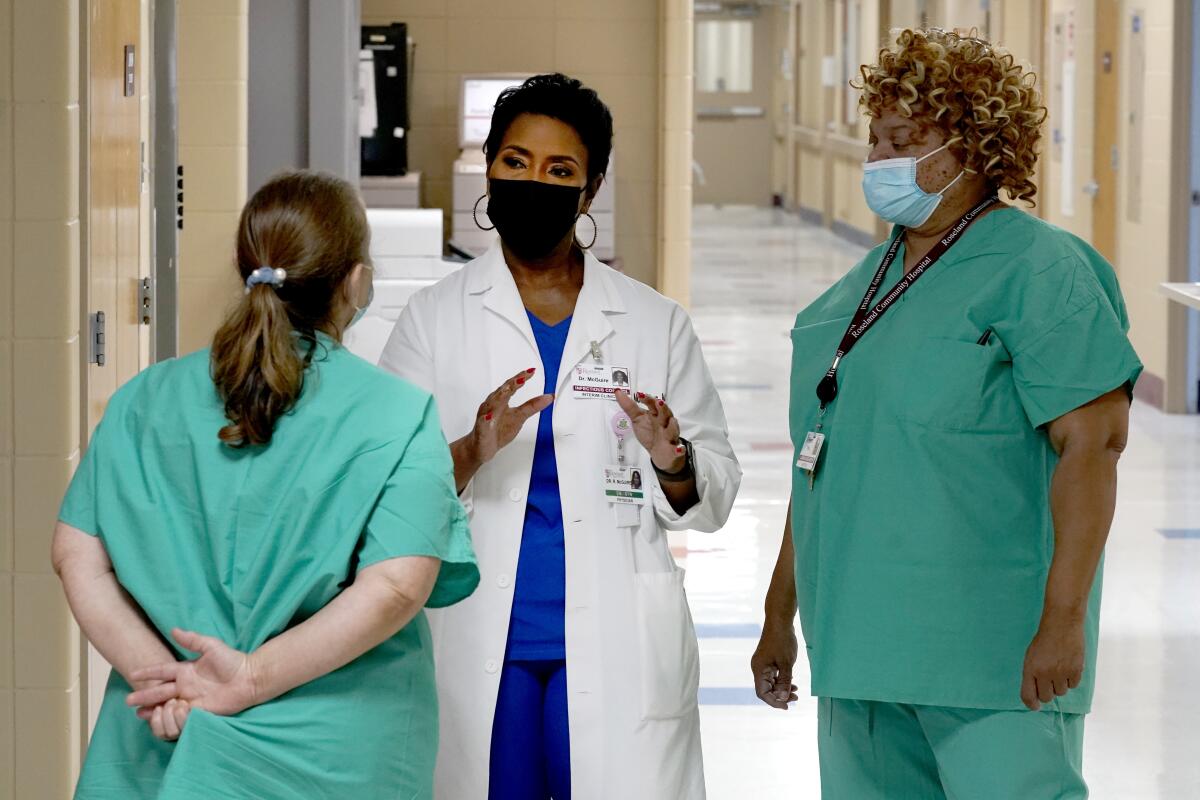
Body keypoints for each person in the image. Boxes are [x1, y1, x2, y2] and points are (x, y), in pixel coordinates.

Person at [751, 29, 1142, 799]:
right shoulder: (855, 296)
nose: (880, 159)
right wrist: (779, 615)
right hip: (860, 653)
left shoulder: (1040, 270)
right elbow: (820, 459)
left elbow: (1093, 447)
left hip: (991, 658)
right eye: (875, 139)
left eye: (907, 139)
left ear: (978, 144)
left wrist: (1063, 620)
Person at [52, 171, 479, 799]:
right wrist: (247, 679)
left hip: (167, 739)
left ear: (242, 265)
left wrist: (166, 680)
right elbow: (394, 588)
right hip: (335, 758)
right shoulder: (396, 414)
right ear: (356, 281)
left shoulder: (143, 401)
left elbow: (75, 556)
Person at [380, 73, 741, 800]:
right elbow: (386, 492)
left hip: (614, 636)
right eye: (515, 162)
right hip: (481, 633)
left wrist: (670, 455)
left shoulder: (652, 321)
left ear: (591, 187)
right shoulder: (433, 318)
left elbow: (715, 492)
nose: (532, 181)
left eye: (559, 170)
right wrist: (472, 450)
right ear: (488, 167)